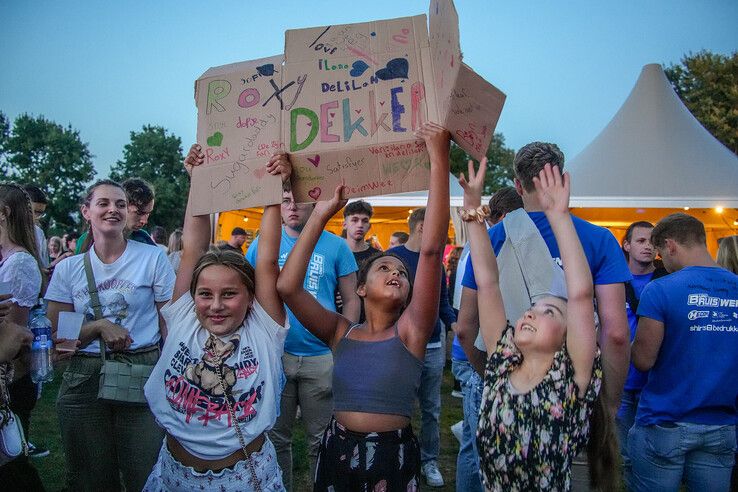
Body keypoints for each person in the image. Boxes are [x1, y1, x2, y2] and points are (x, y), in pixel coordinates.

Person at [276, 122, 450, 491]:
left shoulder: (411, 333)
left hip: (392, 456)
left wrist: (439, 159)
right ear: (361, 289)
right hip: (336, 449)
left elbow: (432, 250)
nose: (395, 273)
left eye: (402, 272)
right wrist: (321, 216)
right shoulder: (342, 332)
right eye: (384, 268)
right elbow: (288, 287)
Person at [142, 145, 290, 490]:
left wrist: (275, 190)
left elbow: (266, 259)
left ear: (251, 298)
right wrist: (200, 181)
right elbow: (193, 248)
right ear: (192, 295)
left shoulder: (263, 329)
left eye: (230, 294)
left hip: (244, 478)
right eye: (205, 294)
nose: (216, 305)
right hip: (175, 475)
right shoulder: (183, 318)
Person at [462, 160, 612, 490]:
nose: (531, 312)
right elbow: (488, 283)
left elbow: (581, 294)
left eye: (549, 312)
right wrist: (473, 213)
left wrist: (559, 218)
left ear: (567, 338)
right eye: (533, 308)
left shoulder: (571, 380)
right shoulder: (501, 362)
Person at [45, 179, 175, 491]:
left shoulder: (152, 257)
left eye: (120, 204)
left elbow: (169, 323)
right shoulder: (68, 269)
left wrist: (170, 374)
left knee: (145, 474)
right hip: (84, 377)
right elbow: (56, 333)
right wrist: (98, 326)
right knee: (90, 477)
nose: (113, 209)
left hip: (140, 370)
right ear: (86, 211)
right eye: (103, 203)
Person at [246, 179, 360, 491]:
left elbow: (351, 297)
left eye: (298, 199)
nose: (292, 206)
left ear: (314, 202)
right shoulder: (262, 244)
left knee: (321, 437)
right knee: (276, 436)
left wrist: (345, 342)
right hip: (276, 355)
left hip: (321, 355)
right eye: (285, 200)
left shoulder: (337, 245)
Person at [630, 213, 738, 491]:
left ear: (671, 245)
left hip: (665, 421)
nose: (661, 262)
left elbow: (643, 360)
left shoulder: (660, 289)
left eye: (661, 254)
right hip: (722, 423)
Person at [450, 185, 522, 492]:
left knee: (475, 442)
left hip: (476, 355)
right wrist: (484, 367)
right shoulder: (489, 246)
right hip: (478, 357)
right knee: (478, 448)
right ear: (506, 216)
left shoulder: (481, 247)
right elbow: (465, 321)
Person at [387, 203, 458, 488]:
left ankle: (429, 461)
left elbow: (442, 302)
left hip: (432, 347)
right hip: (399, 346)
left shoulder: (437, 262)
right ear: (421, 228)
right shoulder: (392, 258)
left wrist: (454, 325)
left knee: (432, 408)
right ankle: (396, 458)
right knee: (397, 407)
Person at [0, 183, 45, 491]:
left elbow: (13, 335)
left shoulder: (20, 262)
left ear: (3, 213)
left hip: (10, 380)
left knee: (12, 463)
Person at [617, 221, 667, 487]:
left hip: (656, 381)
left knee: (657, 455)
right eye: (640, 241)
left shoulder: (666, 280)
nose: (648, 246)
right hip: (622, 381)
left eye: (652, 242)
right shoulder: (612, 281)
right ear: (626, 245)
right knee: (624, 455)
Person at [76, 177, 157, 253]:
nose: (144, 221)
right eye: (139, 213)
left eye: (148, 213)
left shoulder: (144, 239)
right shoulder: (86, 241)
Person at [343, 200, 381, 267]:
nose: (360, 225)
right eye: (354, 220)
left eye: (365, 221)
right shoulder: (334, 253)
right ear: (345, 225)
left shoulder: (377, 257)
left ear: (369, 226)